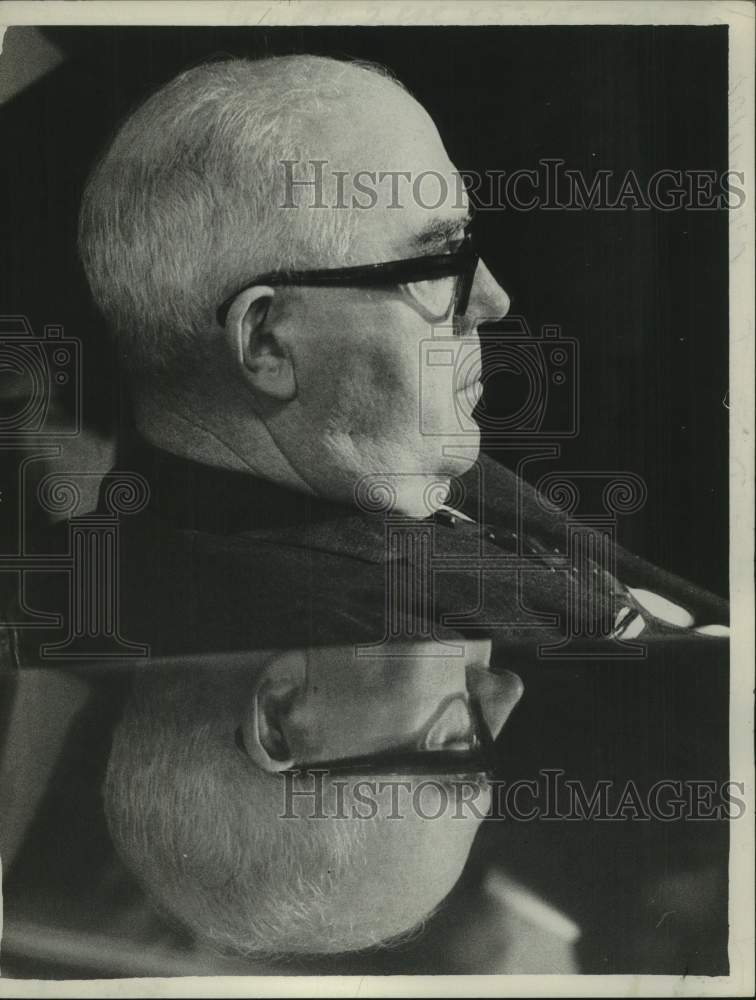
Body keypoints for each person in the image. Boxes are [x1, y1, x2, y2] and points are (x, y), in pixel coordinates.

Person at [1, 54, 728, 963]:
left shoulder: (368, 492)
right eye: (439, 267)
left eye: (458, 754)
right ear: (267, 340)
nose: (496, 302)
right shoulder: (318, 604)